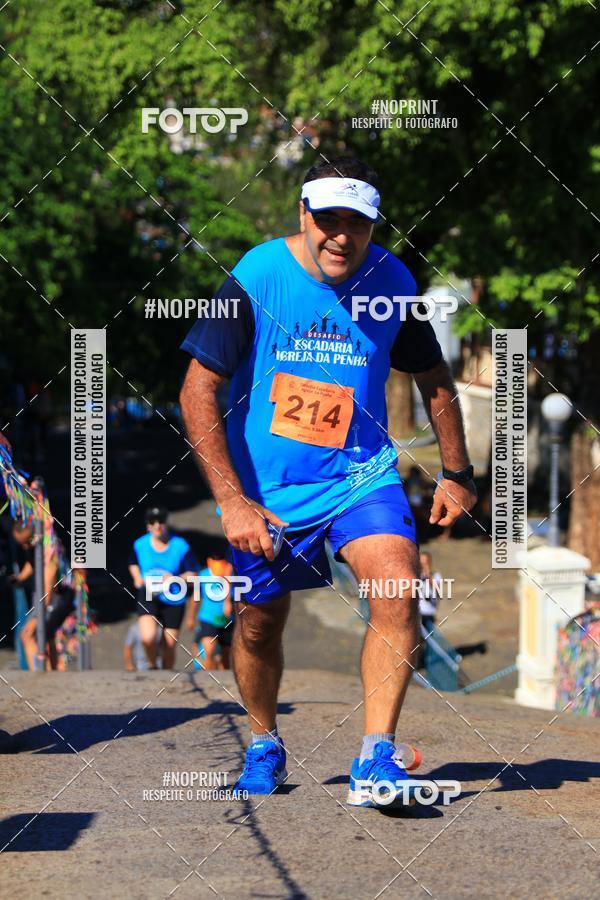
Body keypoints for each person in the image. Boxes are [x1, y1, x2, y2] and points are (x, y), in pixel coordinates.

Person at [180, 155, 476, 806]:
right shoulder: (258, 275)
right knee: (259, 622)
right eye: (329, 220)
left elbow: (433, 377)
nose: (341, 236)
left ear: (373, 228)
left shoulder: (393, 280)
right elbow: (198, 388)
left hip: (361, 475)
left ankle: (375, 759)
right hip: (269, 492)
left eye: (357, 224)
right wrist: (231, 500)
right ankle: (263, 741)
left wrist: (457, 471)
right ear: (303, 215)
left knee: (397, 587)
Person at [128, 506, 199, 670]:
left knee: (169, 644)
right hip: (149, 594)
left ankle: (166, 676)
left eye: (161, 521)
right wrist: (137, 578)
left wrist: (175, 579)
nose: (157, 525)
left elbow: (194, 574)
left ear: (166, 523)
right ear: (147, 525)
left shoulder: (180, 545)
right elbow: (132, 563)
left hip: (174, 597)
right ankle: (153, 665)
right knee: (147, 637)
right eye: (153, 522)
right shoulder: (140, 544)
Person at [13, 523, 75, 671]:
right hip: (47, 596)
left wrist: (36, 619)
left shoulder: (48, 553)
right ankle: (50, 673)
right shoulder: (35, 546)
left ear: (34, 538)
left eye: (26, 543)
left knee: (29, 635)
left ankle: (40, 675)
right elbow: (32, 562)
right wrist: (20, 578)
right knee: (47, 638)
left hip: (55, 598)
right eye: (20, 544)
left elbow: (47, 593)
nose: (24, 548)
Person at [187, 550, 234, 671]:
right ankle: (211, 678)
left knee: (225, 655)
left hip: (227, 620)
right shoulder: (203, 576)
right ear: (210, 562)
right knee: (209, 650)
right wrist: (191, 618)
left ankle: (224, 681)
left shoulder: (231, 575)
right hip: (208, 619)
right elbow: (195, 599)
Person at [417, 550, 443, 668]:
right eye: (421, 562)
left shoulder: (436, 576)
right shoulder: (415, 576)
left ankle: (428, 662)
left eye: (425, 562)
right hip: (417, 613)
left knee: (429, 640)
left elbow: (438, 591)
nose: (423, 564)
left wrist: (428, 576)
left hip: (428, 613)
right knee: (415, 640)